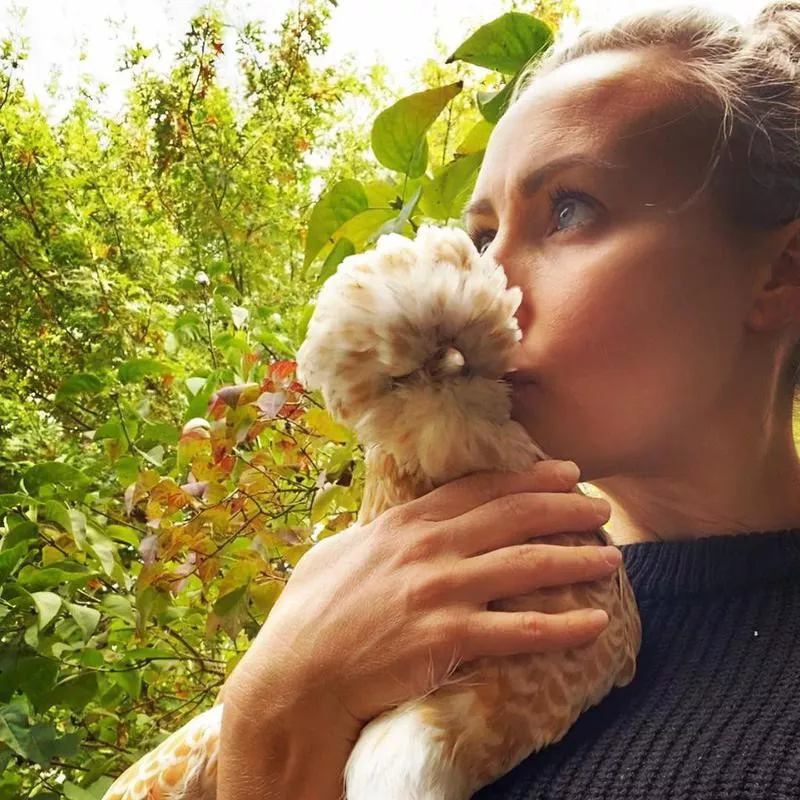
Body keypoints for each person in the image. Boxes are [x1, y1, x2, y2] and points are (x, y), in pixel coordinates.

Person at [218, 2, 800, 798]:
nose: (489, 284)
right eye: (483, 237)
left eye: (568, 209)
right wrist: (276, 710)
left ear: (780, 270)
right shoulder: (402, 602)